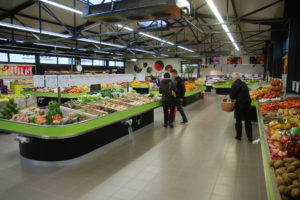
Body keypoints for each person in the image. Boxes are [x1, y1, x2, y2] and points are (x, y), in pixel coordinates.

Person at [230, 72, 253, 142]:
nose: (232, 79)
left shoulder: (234, 85)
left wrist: (231, 97)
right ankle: (250, 137)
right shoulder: (244, 83)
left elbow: (232, 96)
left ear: (235, 78)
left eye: (232, 78)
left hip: (239, 104)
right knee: (248, 121)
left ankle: (238, 136)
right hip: (247, 103)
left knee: (238, 121)